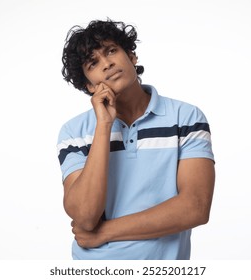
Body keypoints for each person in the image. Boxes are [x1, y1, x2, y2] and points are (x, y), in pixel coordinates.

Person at [57, 19, 215, 260]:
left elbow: (195, 207)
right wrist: (104, 125)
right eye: (93, 63)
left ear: (132, 56)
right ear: (89, 85)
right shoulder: (75, 132)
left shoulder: (186, 118)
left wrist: (104, 233)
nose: (107, 63)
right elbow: (86, 216)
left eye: (111, 51)